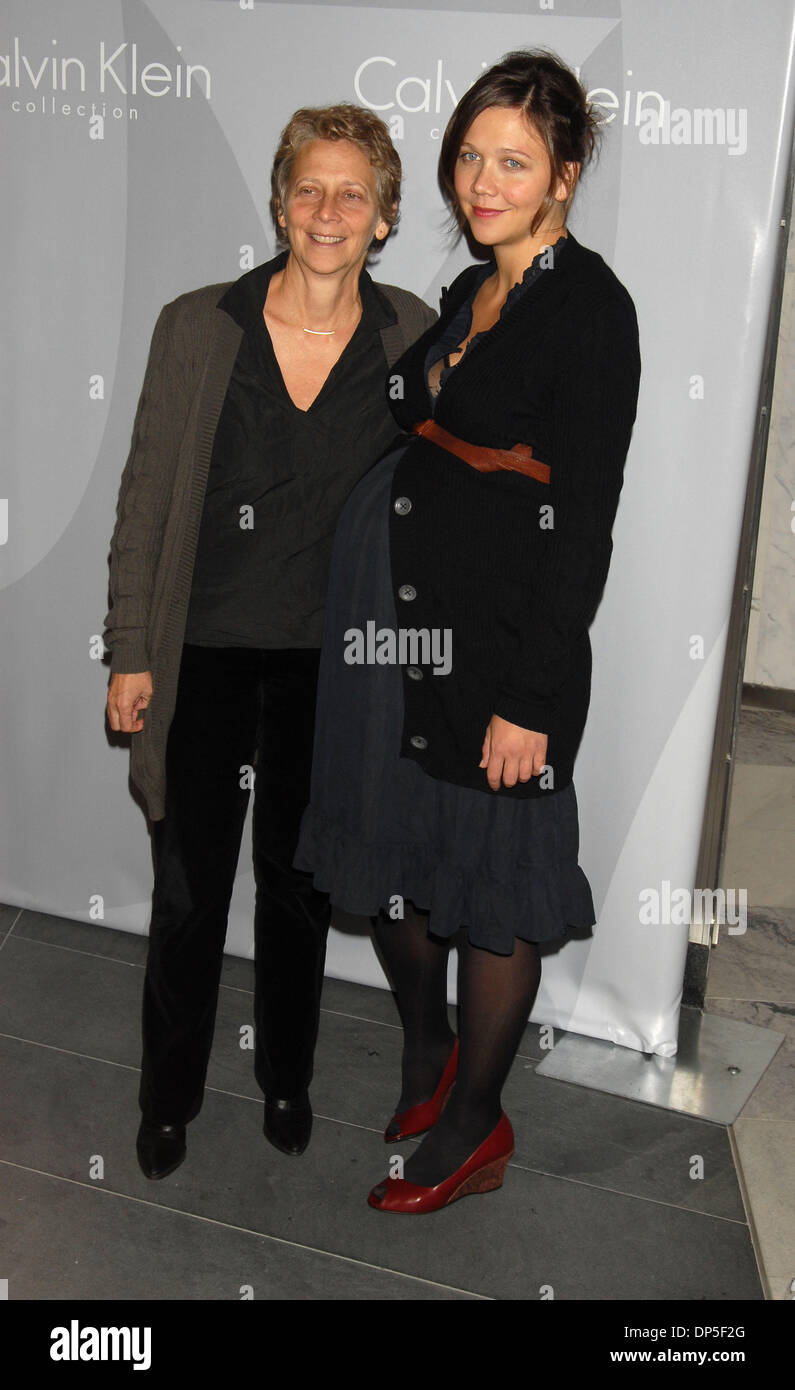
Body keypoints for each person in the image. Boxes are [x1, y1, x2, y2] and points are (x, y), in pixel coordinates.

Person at [295, 51, 641, 1213]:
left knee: (494, 880)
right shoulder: (469, 290)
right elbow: (413, 408)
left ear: (566, 175)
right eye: (469, 157)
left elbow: (582, 526)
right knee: (395, 858)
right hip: (395, 632)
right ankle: (430, 1049)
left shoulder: (592, 310)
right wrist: (435, 366)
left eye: (513, 162)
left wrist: (534, 697)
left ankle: (480, 1121)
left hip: (497, 649)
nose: (481, 182)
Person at [103, 105, 436, 1180]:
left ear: (383, 217)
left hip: (332, 671)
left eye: (353, 193)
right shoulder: (199, 325)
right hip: (201, 652)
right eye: (309, 188)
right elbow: (148, 495)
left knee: (299, 891)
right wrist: (128, 649)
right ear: (280, 202)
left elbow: (436, 507)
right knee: (190, 893)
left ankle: (286, 1080)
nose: (327, 211)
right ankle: (168, 1098)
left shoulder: (414, 336)